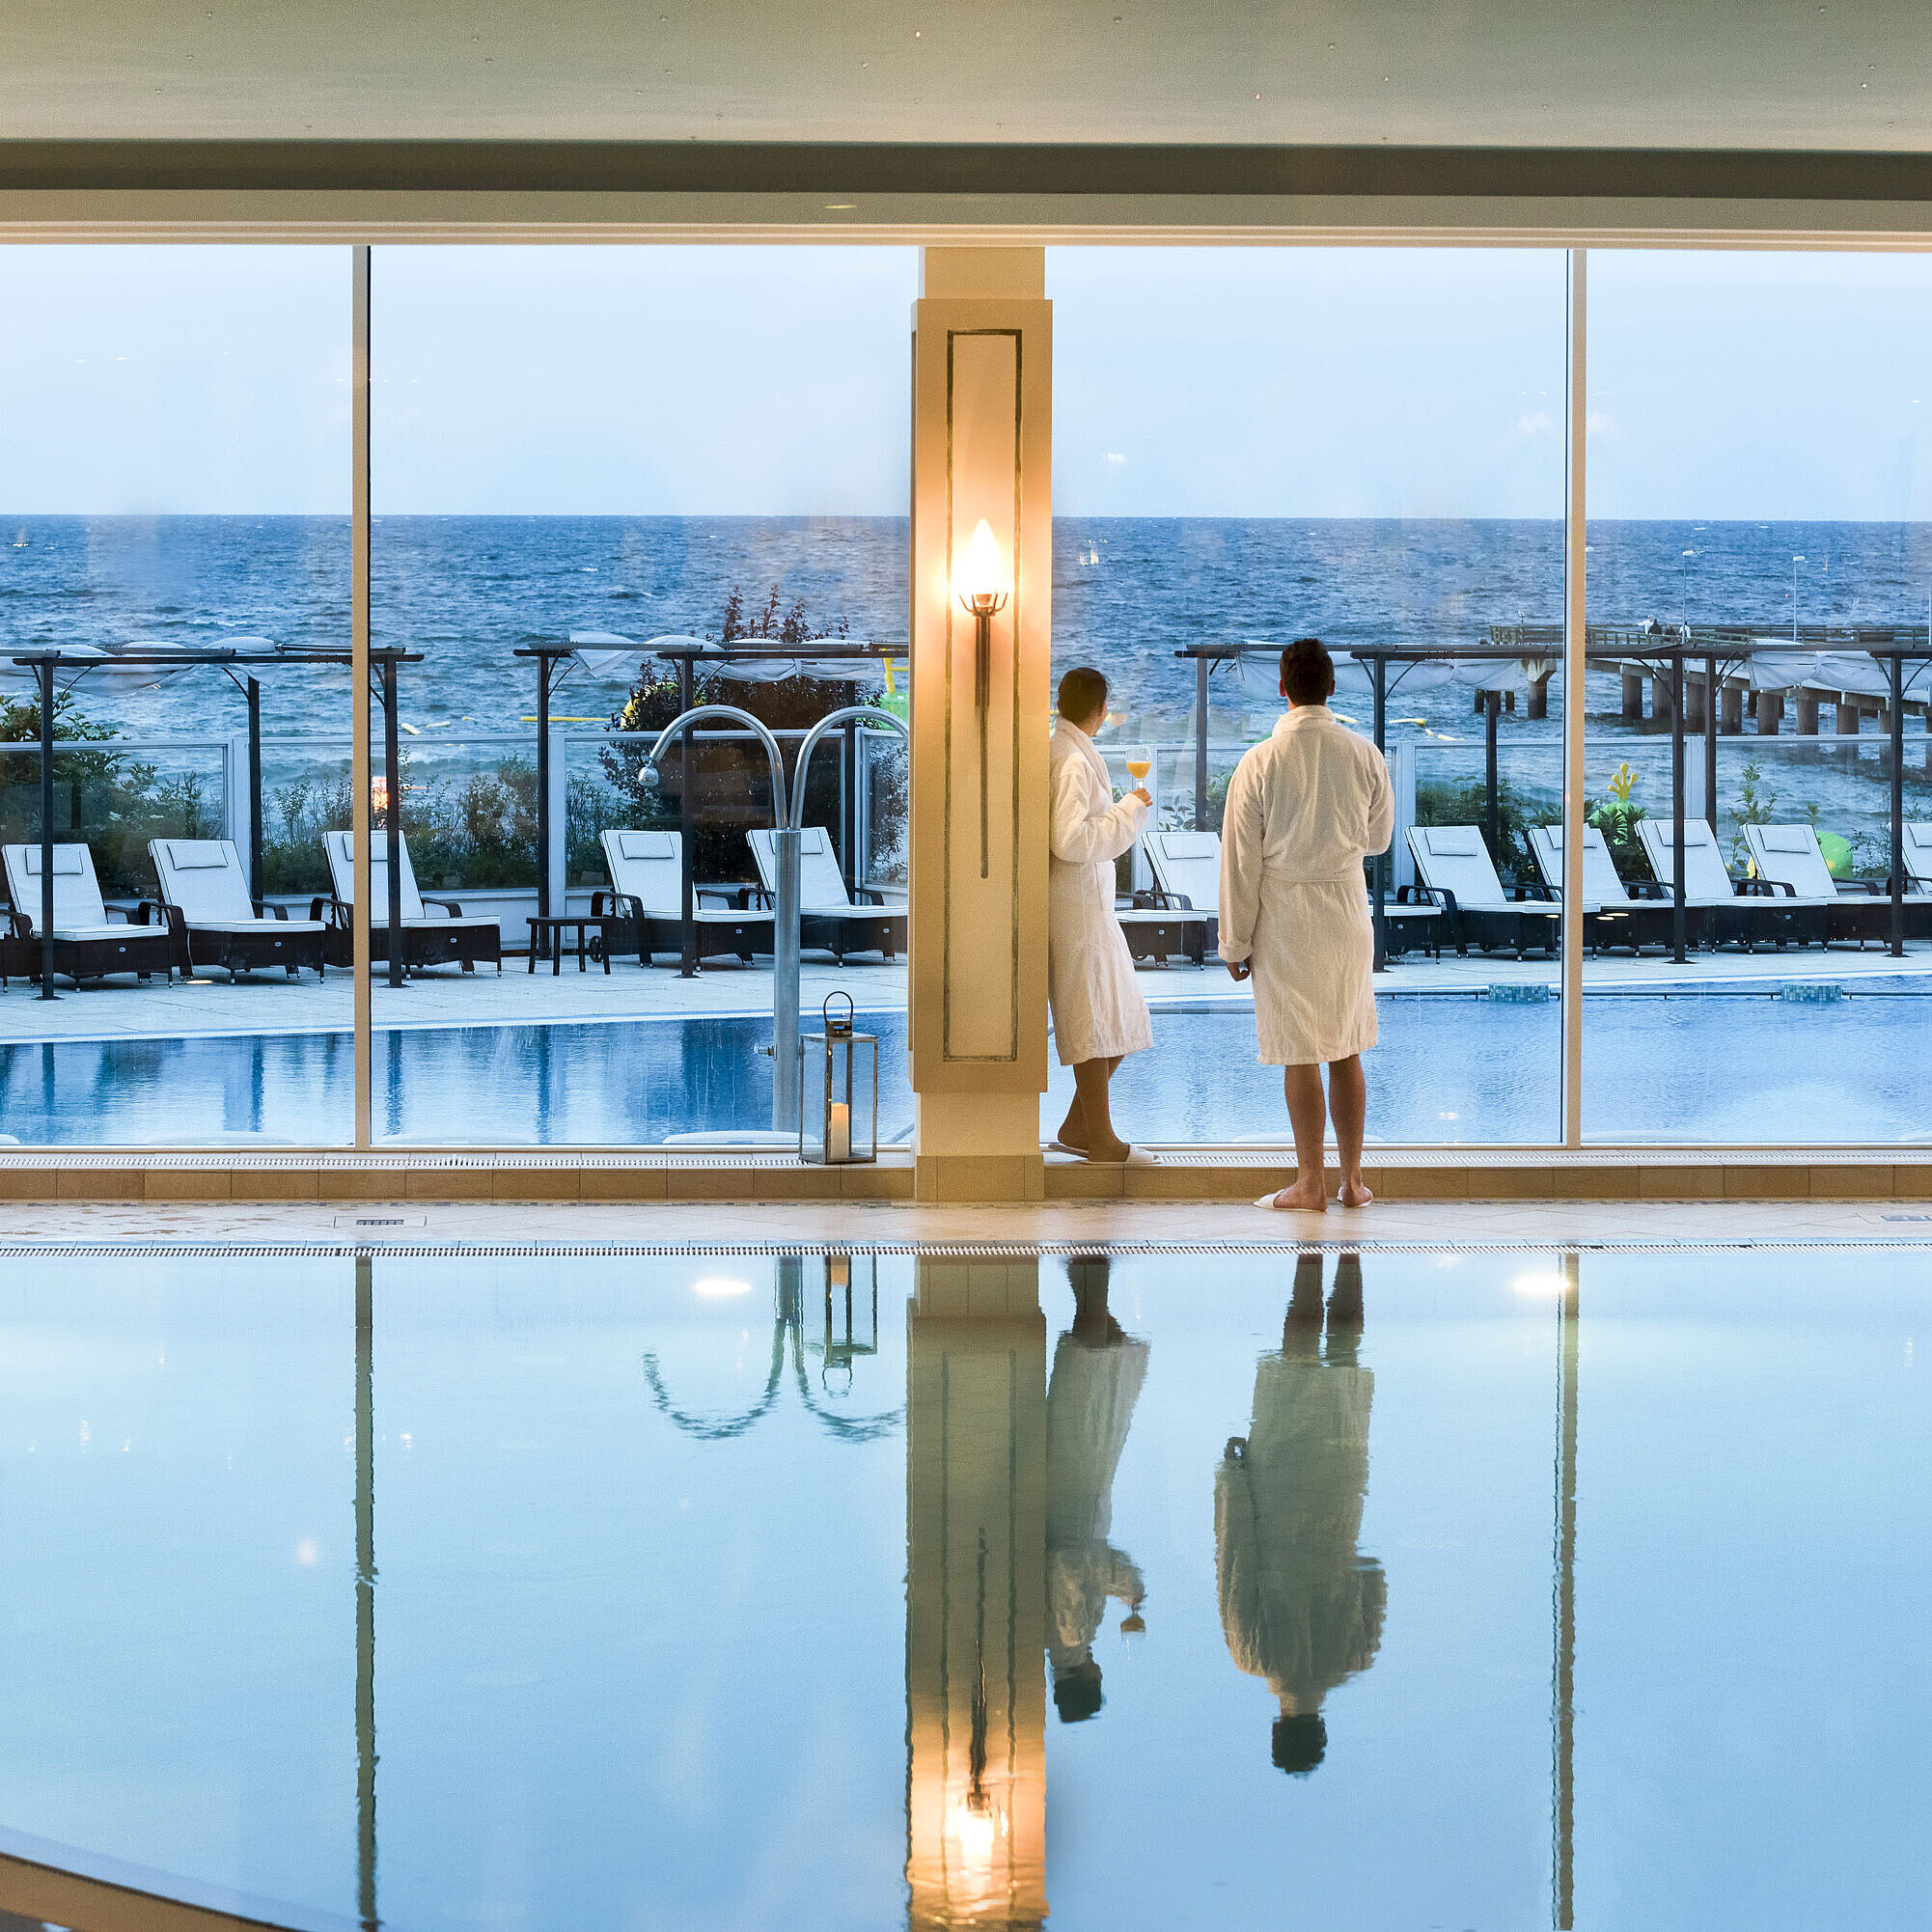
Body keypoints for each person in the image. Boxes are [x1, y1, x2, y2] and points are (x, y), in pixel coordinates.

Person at [1219, 637, 1394, 1210]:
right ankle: (1351, 1182)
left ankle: (1309, 1183)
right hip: (1344, 909)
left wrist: (1234, 942)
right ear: (1332, 688)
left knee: (1300, 1049)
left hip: (1286, 918)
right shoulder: (1364, 753)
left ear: (1282, 688)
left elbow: (1240, 861)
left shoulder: (1259, 762)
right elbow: (1379, 839)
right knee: (1345, 1045)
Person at [1215, 1251, 1383, 1778]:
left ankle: (1350, 1255)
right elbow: (1236, 1558)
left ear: (1322, 1728)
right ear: (1277, 1728)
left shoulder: (1356, 1657)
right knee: (1296, 1361)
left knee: (1344, 1359)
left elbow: (1374, 1576)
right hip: (1281, 1489)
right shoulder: (1252, 1656)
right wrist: (1231, 1480)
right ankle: (1311, 1251)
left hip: (1337, 1496)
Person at [1048, 665, 1154, 1164]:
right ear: (1100, 710)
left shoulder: (1069, 751)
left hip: (1088, 905)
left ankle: (1076, 1126)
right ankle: (1103, 1139)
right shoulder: (1070, 761)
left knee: (1121, 1015)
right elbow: (1069, 840)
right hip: (1076, 907)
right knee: (1091, 1020)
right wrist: (1130, 809)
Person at [1044, 1254, 1149, 1723]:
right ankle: (1087, 1269)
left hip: (1074, 1489)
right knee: (1101, 1358)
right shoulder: (1066, 1638)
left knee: (1090, 1371)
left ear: (1088, 1681)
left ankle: (1091, 1261)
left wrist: (1125, 1583)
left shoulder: (1068, 1635)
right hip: (1079, 1488)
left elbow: (1068, 1562)